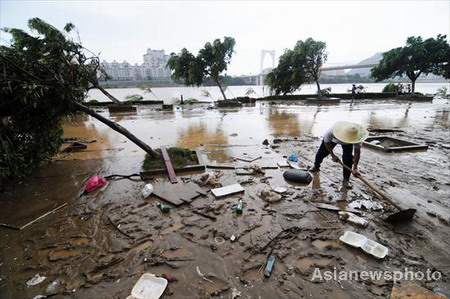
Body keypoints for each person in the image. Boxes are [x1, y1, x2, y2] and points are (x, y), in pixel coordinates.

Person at [310, 121, 369, 189]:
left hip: (349, 144)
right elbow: (327, 143)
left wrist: (355, 168)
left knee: (348, 159)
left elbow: (357, 153)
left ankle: (346, 180)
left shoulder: (357, 137)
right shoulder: (331, 132)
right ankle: (316, 166)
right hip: (334, 140)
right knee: (320, 154)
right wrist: (333, 155)